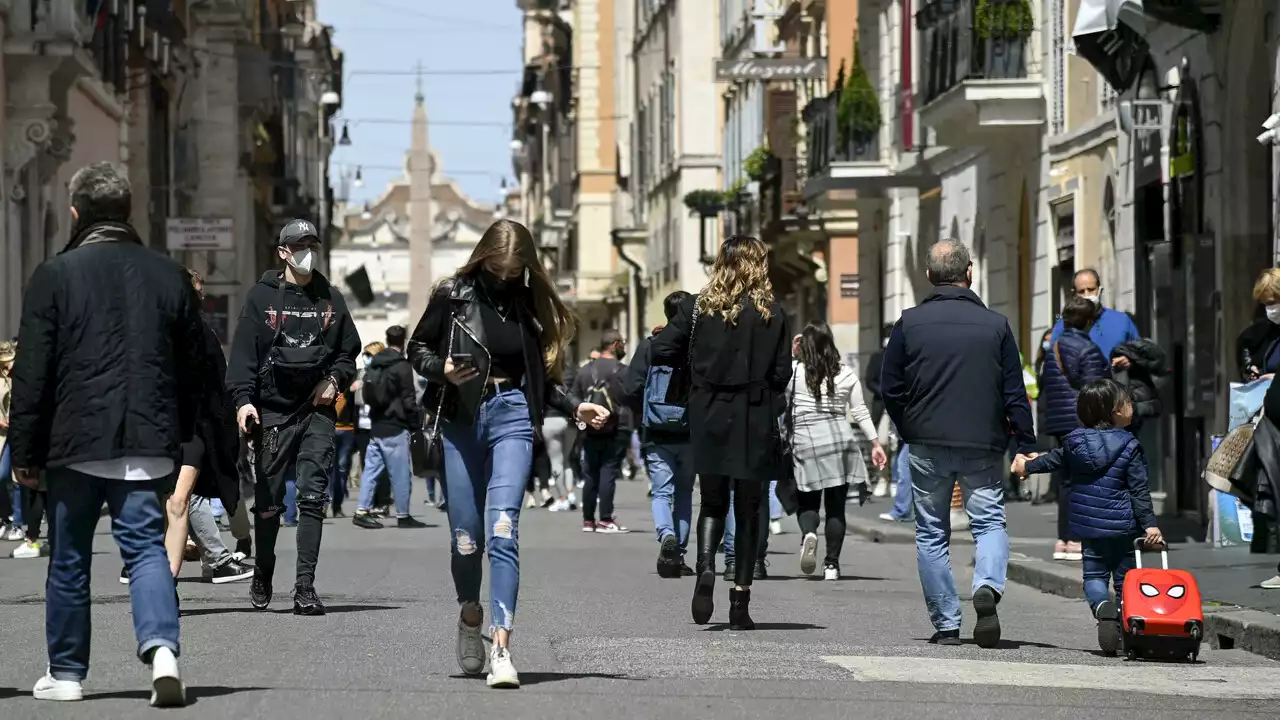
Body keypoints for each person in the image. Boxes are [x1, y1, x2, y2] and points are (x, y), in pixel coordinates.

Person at [7, 162, 208, 705]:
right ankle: (163, 651)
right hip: (145, 436)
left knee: (69, 556)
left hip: (72, 440)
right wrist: (186, 434)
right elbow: (197, 365)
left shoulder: (55, 273)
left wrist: (23, 449)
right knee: (144, 548)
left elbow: (32, 371)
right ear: (128, 211)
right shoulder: (167, 275)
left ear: (75, 213)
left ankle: (68, 675)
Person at [407, 218, 610, 688]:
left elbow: (542, 377)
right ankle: (470, 614)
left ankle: (502, 647)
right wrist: (442, 369)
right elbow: (418, 348)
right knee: (466, 537)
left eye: (515, 267)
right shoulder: (453, 294)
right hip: (460, 419)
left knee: (503, 528)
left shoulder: (528, 302)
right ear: (484, 259)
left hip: (512, 413)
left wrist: (575, 406)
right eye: (497, 267)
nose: (505, 276)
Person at [880, 239, 1035, 648]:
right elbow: (1014, 392)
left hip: (926, 442)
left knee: (931, 531)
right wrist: (1025, 441)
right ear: (970, 273)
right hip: (982, 443)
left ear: (929, 276)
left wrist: (907, 424)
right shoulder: (996, 325)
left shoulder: (908, 323)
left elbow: (889, 387)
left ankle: (947, 623)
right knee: (989, 523)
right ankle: (986, 586)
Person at [650, 235, 793, 631]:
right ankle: (740, 602)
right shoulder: (774, 313)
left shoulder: (697, 308)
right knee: (747, 510)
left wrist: (694, 363)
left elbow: (660, 350)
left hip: (707, 411)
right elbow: (782, 374)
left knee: (712, 502)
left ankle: (705, 569)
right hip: (754, 413)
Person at [226, 218, 362, 615]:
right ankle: (263, 572)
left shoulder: (330, 297)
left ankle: (305, 586)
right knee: (267, 502)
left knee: (313, 497)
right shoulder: (260, 297)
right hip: (272, 413)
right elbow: (243, 357)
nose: (307, 252)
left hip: (316, 411)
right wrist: (242, 401)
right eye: (299, 246)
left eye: (311, 245)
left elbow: (347, 352)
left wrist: (335, 381)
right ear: (283, 252)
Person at [1013, 379, 1162, 655]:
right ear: (1116, 411)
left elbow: (1052, 461)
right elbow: (1139, 491)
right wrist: (1150, 525)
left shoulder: (1075, 443)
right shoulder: (1130, 446)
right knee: (1125, 580)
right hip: (1123, 527)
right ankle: (1125, 627)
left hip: (1089, 527)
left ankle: (1101, 607)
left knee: (1094, 575)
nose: (1132, 408)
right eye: (1128, 403)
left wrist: (1027, 467)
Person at [122, 269, 251, 586]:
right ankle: (149, 566)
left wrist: (225, 428)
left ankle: (168, 584)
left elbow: (217, 386)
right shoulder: (144, 333)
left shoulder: (202, 334)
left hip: (193, 432)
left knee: (180, 501)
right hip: (154, 434)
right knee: (160, 504)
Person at [789, 322, 887, 580]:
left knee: (808, 501)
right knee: (836, 508)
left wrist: (792, 353)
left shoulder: (795, 372)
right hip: (841, 441)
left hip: (806, 440)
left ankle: (809, 533)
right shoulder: (845, 374)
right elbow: (859, 410)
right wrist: (875, 442)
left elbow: (779, 399)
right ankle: (831, 565)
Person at [622, 291, 696, 578]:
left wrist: (644, 413)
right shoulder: (696, 347)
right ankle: (678, 554)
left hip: (656, 432)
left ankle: (666, 535)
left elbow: (630, 389)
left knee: (662, 493)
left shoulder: (651, 346)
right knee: (685, 495)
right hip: (689, 432)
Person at [1040, 295, 1112, 562]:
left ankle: (1064, 540)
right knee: (1085, 480)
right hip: (1082, 421)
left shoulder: (1054, 349)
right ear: (1089, 321)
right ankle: (1078, 539)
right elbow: (1095, 390)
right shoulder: (1088, 350)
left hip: (1060, 422)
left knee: (1066, 481)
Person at [352, 325, 427, 529]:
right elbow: (408, 399)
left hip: (376, 425)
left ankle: (361, 510)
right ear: (403, 341)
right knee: (401, 474)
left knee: (371, 471)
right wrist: (415, 424)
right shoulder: (402, 366)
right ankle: (403, 515)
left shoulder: (375, 362)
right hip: (396, 426)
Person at [572, 330, 631, 533]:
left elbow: (574, 400)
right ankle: (605, 518)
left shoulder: (584, 371)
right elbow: (630, 398)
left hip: (588, 429)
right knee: (608, 471)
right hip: (617, 427)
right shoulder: (623, 371)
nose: (624, 346)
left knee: (590, 473)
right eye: (622, 343)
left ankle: (588, 520)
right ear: (614, 345)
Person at [1049, 268, 1140, 362]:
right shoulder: (1063, 325)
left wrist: (1129, 361)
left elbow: (1139, 354)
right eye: (1081, 291)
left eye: (1091, 289)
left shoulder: (1122, 321)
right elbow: (1053, 362)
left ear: (1100, 290)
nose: (1087, 295)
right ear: (1074, 294)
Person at [1237, 268, 1280, 380]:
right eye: (1265, 304)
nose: (1269, 309)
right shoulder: (1268, 331)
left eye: (1272, 303)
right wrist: (1251, 368)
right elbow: (1246, 342)